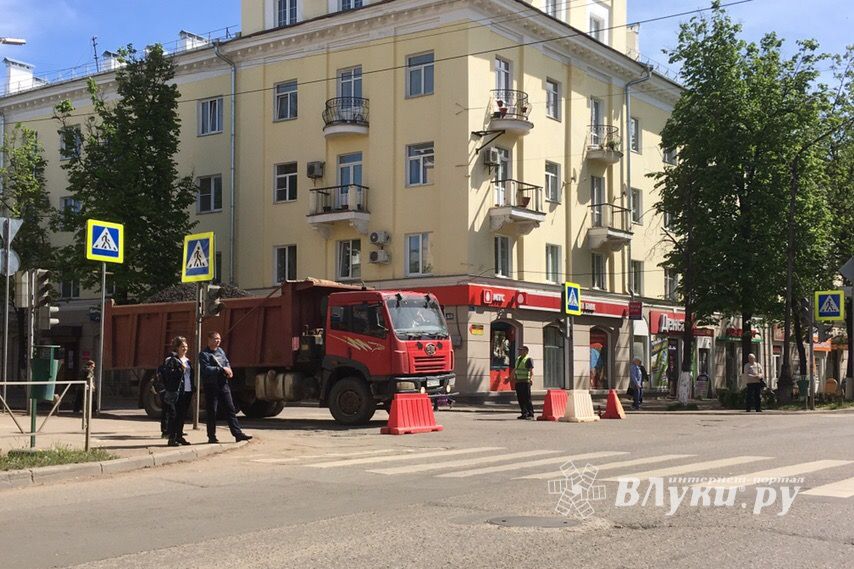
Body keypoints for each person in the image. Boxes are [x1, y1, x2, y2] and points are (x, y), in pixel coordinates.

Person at [199, 331, 252, 443]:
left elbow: (226, 362)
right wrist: (221, 369)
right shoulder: (204, 354)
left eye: (219, 339)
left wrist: (229, 370)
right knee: (212, 411)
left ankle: (237, 434)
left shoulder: (221, 351)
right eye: (215, 339)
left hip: (223, 384)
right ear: (209, 340)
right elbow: (206, 369)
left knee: (230, 409)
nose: (218, 341)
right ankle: (211, 436)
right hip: (211, 385)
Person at [163, 337, 193, 447]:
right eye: (182, 347)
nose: (185, 348)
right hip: (177, 391)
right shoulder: (172, 360)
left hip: (187, 390)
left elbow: (190, 375)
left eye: (186, 346)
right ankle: (172, 438)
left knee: (182, 415)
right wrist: (180, 369)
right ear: (177, 348)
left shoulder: (187, 361)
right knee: (174, 415)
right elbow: (168, 375)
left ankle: (179, 436)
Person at [512, 346, 535, 420]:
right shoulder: (518, 359)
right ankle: (524, 413)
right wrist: (510, 378)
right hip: (518, 381)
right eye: (520, 350)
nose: (520, 351)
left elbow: (531, 371)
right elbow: (515, 369)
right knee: (520, 398)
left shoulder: (528, 359)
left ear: (526, 351)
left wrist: (531, 379)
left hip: (525, 382)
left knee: (527, 398)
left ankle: (530, 414)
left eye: (522, 350)